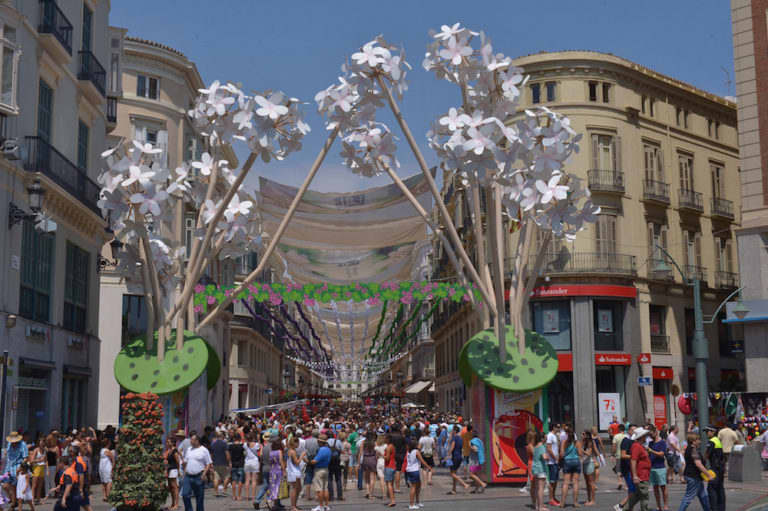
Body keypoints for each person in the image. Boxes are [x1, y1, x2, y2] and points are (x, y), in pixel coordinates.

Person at [615, 427, 651, 511]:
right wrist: (635, 476)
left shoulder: (639, 446)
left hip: (643, 475)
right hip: (641, 476)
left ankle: (624, 509)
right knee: (644, 497)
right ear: (641, 437)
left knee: (636, 496)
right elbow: (633, 460)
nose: (646, 437)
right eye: (645, 435)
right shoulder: (636, 446)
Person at [677, 434, 711, 511]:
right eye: (698, 440)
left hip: (694, 476)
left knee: (703, 496)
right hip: (693, 477)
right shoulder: (693, 450)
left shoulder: (688, 449)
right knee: (688, 497)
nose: (700, 441)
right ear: (693, 441)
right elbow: (699, 465)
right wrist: (708, 475)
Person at [181, 434, 212, 511]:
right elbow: (186, 462)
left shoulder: (204, 450)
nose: (190, 441)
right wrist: (184, 473)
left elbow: (208, 463)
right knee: (185, 494)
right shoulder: (189, 449)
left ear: (197, 441)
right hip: (188, 476)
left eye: (192, 440)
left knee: (199, 497)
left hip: (199, 476)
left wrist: (204, 474)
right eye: (190, 439)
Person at [404, 438, 431, 510]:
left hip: (410, 470)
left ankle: (417, 502)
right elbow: (422, 461)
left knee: (418, 485)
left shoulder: (408, 451)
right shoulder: (416, 452)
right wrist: (429, 467)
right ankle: (411, 504)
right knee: (413, 487)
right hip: (414, 470)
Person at [4, 431, 29, 508]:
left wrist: (20, 468)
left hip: (18, 468)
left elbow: (25, 458)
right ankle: (13, 501)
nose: (13, 443)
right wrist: (7, 469)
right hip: (9, 467)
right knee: (5, 486)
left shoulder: (23, 444)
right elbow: (8, 457)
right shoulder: (9, 445)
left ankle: (14, 504)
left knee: (14, 487)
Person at [560, 426, 582, 508]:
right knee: (575, 482)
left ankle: (562, 502)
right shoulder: (577, 443)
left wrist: (566, 454)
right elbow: (580, 454)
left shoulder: (564, 442)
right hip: (576, 461)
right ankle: (575, 502)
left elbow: (561, 455)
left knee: (566, 483)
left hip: (567, 462)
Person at [648, 428, 668, 511]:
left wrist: (651, 451)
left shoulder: (662, 442)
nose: (650, 436)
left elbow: (662, 454)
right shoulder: (650, 443)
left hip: (660, 467)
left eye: (651, 434)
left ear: (656, 433)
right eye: (649, 434)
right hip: (652, 467)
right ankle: (658, 505)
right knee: (655, 488)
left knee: (663, 487)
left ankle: (665, 505)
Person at [705, 427, 725, 511]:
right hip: (720, 468)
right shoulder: (717, 440)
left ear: (713, 432)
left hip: (714, 468)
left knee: (711, 489)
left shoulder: (712, 441)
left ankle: (714, 508)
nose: (706, 433)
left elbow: (707, 455)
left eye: (707, 431)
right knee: (720, 489)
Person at [310, 435, 331, 511]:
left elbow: (315, 461)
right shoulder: (328, 449)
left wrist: (309, 461)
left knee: (319, 489)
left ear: (320, 442)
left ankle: (321, 506)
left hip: (319, 470)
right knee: (325, 488)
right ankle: (326, 505)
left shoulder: (321, 450)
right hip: (326, 469)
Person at [448, 426, 469, 495]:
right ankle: (454, 490)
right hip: (459, 456)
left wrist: (448, 455)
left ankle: (464, 484)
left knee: (452, 474)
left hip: (455, 457)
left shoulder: (455, 438)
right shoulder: (460, 438)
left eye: (452, 431)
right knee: (454, 473)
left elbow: (452, 447)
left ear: (454, 431)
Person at [285, 437, 304, 511]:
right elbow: (297, 462)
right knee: (295, 489)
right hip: (293, 472)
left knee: (298, 488)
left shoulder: (292, 450)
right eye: (298, 443)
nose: (299, 444)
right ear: (295, 443)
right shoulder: (292, 451)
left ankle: (295, 505)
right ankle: (293, 506)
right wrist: (302, 456)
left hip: (295, 471)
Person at [530, 432, 549, 511]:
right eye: (545, 437)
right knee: (541, 488)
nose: (546, 438)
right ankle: (540, 507)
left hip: (535, 468)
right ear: (542, 438)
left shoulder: (535, 446)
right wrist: (547, 457)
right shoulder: (541, 446)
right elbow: (544, 457)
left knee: (537, 488)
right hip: (541, 468)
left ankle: (538, 505)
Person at [209, 432, 229, 498]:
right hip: (223, 462)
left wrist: (211, 462)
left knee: (216, 478)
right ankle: (224, 491)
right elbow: (227, 454)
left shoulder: (213, 444)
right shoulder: (224, 444)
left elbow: (211, 454)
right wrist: (229, 462)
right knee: (226, 477)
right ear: (222, 436)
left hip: (215, 463)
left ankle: (216, 492)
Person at [227, 434, 246, 502]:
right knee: (240, 481)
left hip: (233, 464)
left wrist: (229, 462)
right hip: (241, 464)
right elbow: (244, 454)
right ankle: (239, 496)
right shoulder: (242, 446)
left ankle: (234, 496)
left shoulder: (230, 446)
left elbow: (228, 454)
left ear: (234, 439)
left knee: (234, 481)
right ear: (240, 438)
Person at [165, 437, 182, 511]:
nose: (167, 443)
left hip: (174, 470)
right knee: (171, 488)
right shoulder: (169, 451)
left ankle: (176, 504)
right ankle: (172, 503)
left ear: (172, 443)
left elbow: (178, 461)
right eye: (167, 442)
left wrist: (178, 471)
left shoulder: (174, 451)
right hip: (169, 470)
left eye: (168, 442)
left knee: (175, 487)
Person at [267, 439, 285, 510]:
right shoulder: (279, 452)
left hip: (272, 470)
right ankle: (273, 503)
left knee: (272, 486)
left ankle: (270, 500)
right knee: (277, 486)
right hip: (278, 470)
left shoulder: (271, 452)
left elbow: (270, 462)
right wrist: (284, 470)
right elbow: (281, 461)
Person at [243, 432, 261, 502]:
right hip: (255, 462)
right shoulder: (256, 444)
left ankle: (247, 496)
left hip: (247, 462)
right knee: (254, 480)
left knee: (247, 480)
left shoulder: (245, 444)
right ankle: (253, 496)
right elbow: (259, 451)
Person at [302, 430, 319, 502]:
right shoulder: (318, 441)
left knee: (308, 477)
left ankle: (308, 495)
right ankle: (316, 496)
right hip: (316, 458)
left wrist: (306, 460)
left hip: (309, 459)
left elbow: (305, 451)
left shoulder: (306, 441)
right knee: (317, 478)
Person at [326, 431, 343, 502]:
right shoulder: (338, 441)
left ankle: (331, 496)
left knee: (329, 478)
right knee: (338, 478)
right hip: (337, 461)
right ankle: (339, 496)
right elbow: (341, 450)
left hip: (329, 462)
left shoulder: (326, 442)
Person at [581, 430, 597, 506]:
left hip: (589, 463)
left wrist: (581, 450)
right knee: (587, 483)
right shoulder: (584, 442)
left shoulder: (590, 442)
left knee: (591, 483)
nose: (582, 435)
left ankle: (593, 500)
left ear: (587, 435)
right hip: (584, 463)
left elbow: (588, 453)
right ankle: (589, 499)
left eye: (583, 434)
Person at [29, 438, 46, 505]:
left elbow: (45, 460)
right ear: (38, 443)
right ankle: (32, 499)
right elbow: (31, 461)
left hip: (42, 468)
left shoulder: (44, 450)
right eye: (41, 442)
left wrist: (46, 468)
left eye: (43, 442)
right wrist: (39, 460)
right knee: (34, 485)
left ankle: (38, 499)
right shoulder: (36, 450)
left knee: (40, 485)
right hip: (36, 468)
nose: (42, 443)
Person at [360, 435, 377, 499]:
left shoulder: (363, 442)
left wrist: (359, 462)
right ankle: (370, 494)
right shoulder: (374, 443)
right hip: (372, 458)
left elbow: (360, 453)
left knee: (366, 477)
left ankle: (367, 492)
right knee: (372, 478)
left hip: (365, 459)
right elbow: (376, 452)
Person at [383, 434, 397, 507]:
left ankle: (392, 500)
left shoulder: (388, 447)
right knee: (391, 484)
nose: (384, 440)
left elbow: (387, 458)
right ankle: (392, 499)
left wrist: (382, 455)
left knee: (389, 485)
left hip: (389, 466)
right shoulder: (393, 446)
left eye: (385, 438)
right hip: (393, 466)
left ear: (388, 439)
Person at [612, 424, 627, 491]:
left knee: (618, 470)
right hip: (626, 455)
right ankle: (627, 485)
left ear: (619, 429)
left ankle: (620, 482)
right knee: (626, 470)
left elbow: (614, 446)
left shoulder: (616, 436)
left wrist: (613, 454)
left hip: (618, 455)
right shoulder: (627, 436)